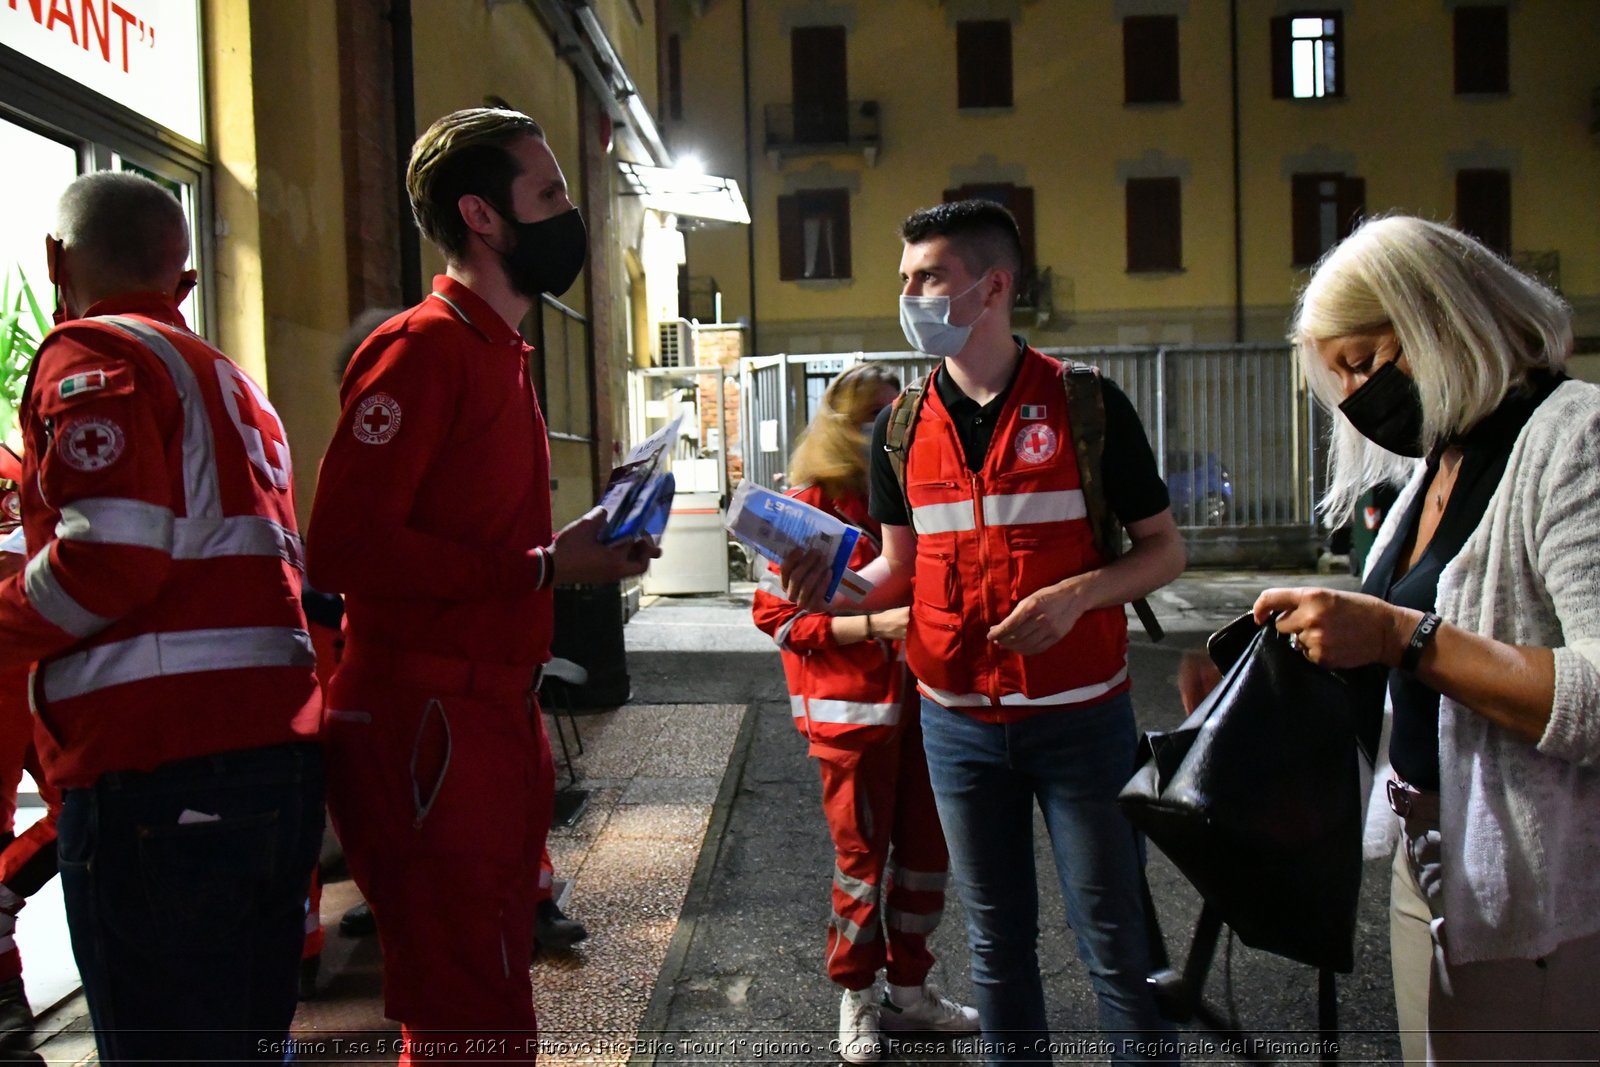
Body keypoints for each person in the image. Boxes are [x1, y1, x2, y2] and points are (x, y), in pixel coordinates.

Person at [785, 200, 1185, 1064]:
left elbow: (1163, 550)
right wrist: (832, 584)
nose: (909, 295)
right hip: (957, 723)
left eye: (928, 277)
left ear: (993, 285)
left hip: (1081, 718)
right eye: (905, 279)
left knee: (1112, 940)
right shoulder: (899, 429)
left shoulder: (1085, 403)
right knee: (998, 946)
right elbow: (899, 568)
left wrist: (1081, 593)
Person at [306, 107, 655, 1060]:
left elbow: (469, 534)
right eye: (548, 194)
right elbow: (341, 546)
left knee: (493, 976)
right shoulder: (423, 349)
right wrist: (546, 566)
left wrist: (574, 545)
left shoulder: (498, 352)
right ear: (483, 216)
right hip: (429, 721)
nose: (568, 213)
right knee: (466, 999)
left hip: (488, 715)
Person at [1245, 216, 1600, 1065]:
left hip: (1540, 888)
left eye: (1367, 361)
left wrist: (1399, 632)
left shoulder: (1573, 438)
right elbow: (1398, 657)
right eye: (1344, 378)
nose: (1362, 396)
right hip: (1434, 860)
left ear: (1443, 316)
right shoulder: (1438, 462)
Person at [0, 171, 324, 1062]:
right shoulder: (224, 376)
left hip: (158, 775)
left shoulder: (91, 355)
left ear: (56, 261)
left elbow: (112, 558)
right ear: (180, 271)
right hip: (270, 765)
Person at [752, 363, 977, 1064]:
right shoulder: (806, 505)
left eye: (896, 417)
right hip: (852, 719)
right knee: (861, 863)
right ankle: (857, 995)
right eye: (875, 418)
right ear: (841, 426)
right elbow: (780, 619)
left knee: (926, 857)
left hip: (931, 703)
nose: (891, 433)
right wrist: (876, 627)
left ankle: (909, 992)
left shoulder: (915, 495)